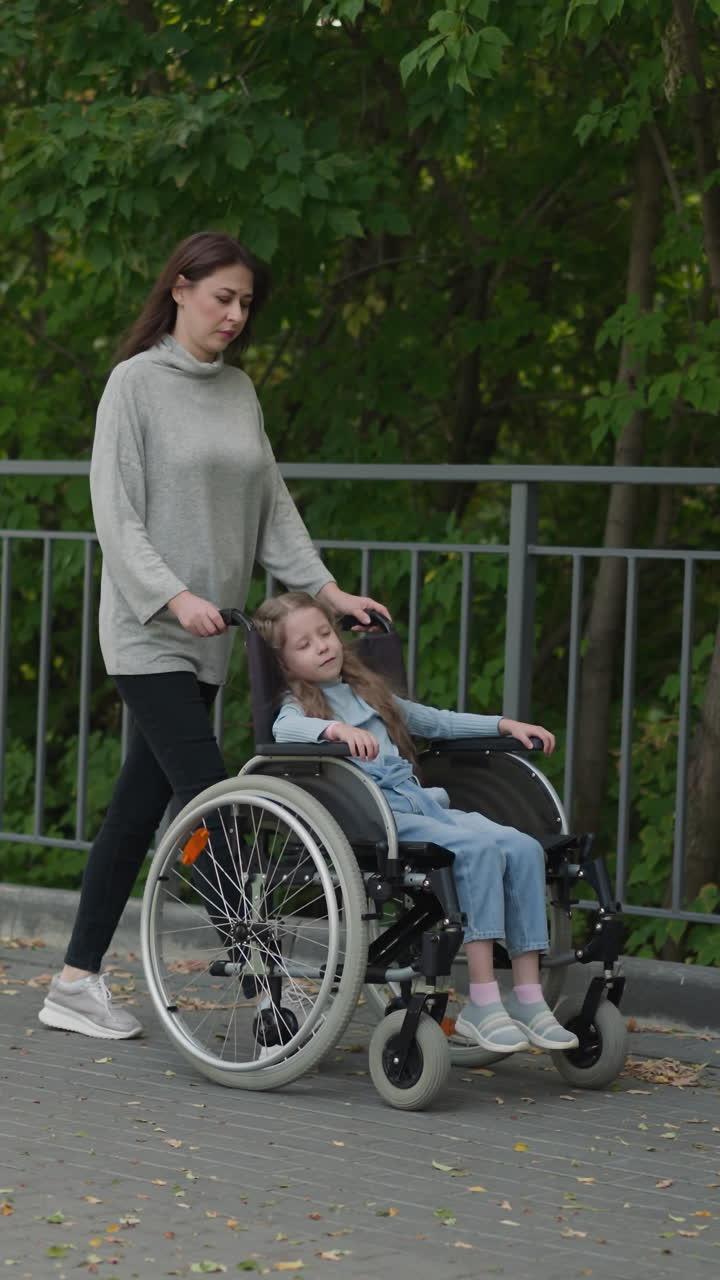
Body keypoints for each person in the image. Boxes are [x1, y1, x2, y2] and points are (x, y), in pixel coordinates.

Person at [39, 232, 389, 1041]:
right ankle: (272, 994)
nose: (235, 315)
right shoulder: (134, 385)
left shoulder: (238, 391)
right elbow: (116, 515)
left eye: (246, 304)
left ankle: (73, 982)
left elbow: (274, 508)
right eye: (222, 297)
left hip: (214, 636)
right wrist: (172, 595)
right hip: (149, 632)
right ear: (181, 290)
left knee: (135, 811)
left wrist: (328, 590)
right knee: (214, 803)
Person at [251, 591, 579, 1055]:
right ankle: (482, 1001)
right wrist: (333, 731)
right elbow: (284, 732)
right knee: (479, 850)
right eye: (303, 644)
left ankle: (527, 996)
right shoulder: (299, 707)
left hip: (425, 807)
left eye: (325, 634)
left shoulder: (369, 692)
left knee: (522, 846)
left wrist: (504, 726)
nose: (322, 646)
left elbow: (438, 722)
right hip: (376, 818)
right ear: (283, 663)